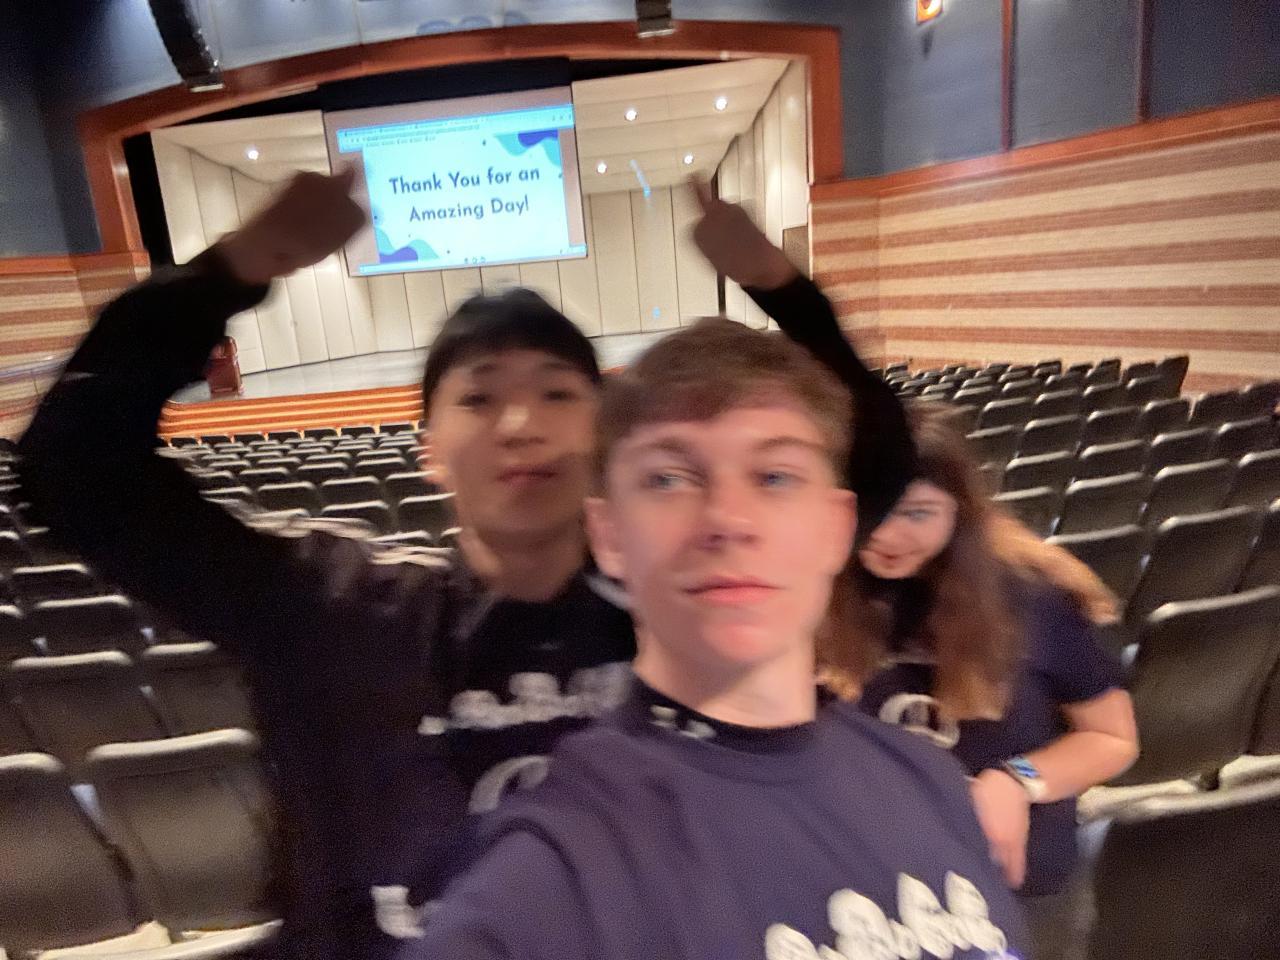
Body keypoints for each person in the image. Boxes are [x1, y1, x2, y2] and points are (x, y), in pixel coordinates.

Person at [16, 169, 638, 960]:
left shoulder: (682, 613)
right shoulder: (332, 609)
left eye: (557, 394)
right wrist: (229, 272)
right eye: (479, 399)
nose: (520, 423)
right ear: (429, 450)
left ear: (605, 430)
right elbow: (76, 471)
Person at [401, 315, 1027, 960]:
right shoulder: (552, 880)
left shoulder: (932, 780)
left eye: (775, 476)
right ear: (609, 536)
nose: (728, 520)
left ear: (837, 528)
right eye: (669, 479)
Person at [818, 405, 1139, 959]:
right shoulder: (811, 592)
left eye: (918, 512)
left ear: (959, 512)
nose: (888, 534)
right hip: (869, 889)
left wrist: (1016, 781)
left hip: (1014, 886)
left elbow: (1113, 737)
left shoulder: (1033, 599)